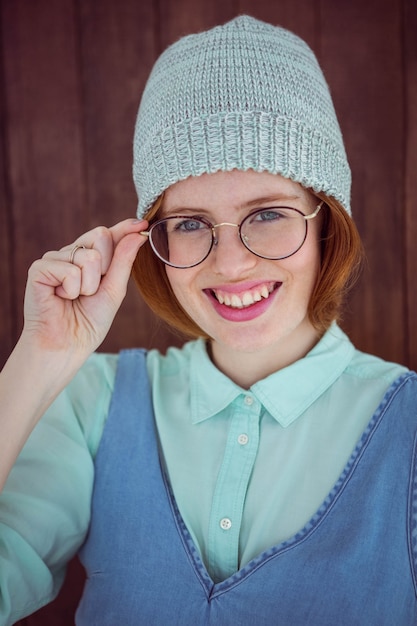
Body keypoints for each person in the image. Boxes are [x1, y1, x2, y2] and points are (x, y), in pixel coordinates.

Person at [1, 14, 416, 626]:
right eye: (191, 223)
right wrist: (37, 359)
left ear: (326, 223)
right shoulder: (92, 402)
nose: (231, 262)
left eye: (269, 214)